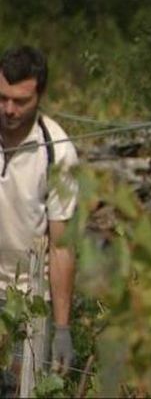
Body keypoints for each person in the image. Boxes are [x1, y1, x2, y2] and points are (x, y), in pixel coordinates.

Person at [0, 45, 78, 379]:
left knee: (22, 385)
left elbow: (61, 246)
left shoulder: (57, 154)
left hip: (29, 301)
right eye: (2, 98)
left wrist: (62, 328)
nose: (8, 109)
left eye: (20, 101)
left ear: (40, 95)